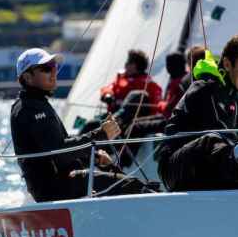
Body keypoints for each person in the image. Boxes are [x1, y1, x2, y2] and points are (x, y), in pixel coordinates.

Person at [10, 48, 153, 202]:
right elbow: (58, 151)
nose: (53, 72)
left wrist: (95, 157)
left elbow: (59, 148)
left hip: (61, 183)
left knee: (129, 184)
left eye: (54, 67)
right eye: (46, 69)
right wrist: (101, 135)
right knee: (132, 187)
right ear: (28, 77)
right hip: (55, 188)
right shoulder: (30, 108)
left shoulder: (36, 103)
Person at [158, 34, 238, 191]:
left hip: (210, 166)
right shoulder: (205, 89)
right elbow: (219, 138)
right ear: (227, 64)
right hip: (176, 168)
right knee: (214, 140)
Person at [100, 49, 163, 121]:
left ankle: (116, 120)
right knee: (92, 124)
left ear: (137, 66)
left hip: (132, 122)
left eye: (129, 62)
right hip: (112, 117)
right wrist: (107, 94)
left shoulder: (150, 85)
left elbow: (155, 107)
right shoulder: (121, 79)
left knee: (137, 94)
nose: (125, 65)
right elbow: (108, 88)